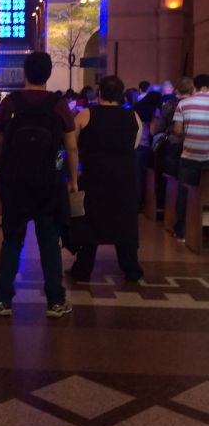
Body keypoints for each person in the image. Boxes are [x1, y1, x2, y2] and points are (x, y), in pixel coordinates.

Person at [0, 51, 78, 319]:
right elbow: (70, 147)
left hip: (15, 183)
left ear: (24, 72)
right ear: (48, 74)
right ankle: (56, 302)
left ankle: (2, 299)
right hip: (49, 182)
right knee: (49, 241)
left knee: (12, 240)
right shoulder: (59, 105)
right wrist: (71, 178)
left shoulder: (10, 103)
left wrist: (1, 169)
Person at [69, 75, 144, 282]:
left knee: (90, 222)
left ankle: (83, 269)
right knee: (125, 223)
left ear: (99, 92)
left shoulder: (85, 115)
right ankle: (131, 268)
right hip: (124, 178)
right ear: (121, 94)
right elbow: (135, 145)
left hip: (94, 177)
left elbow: (71, 146)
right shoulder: (133, 116)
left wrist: (72, 175)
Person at [173, 74, 209, 241]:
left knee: (184, 194)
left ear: (195, 86)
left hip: (189, 156)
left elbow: (177, 130)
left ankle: (181, 232)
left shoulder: (184, 103)